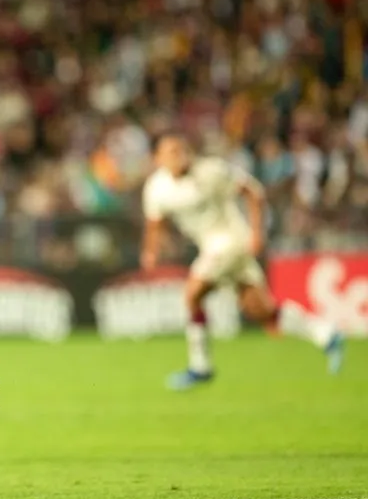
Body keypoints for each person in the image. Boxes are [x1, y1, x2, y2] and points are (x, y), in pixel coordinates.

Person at [141, 133, 344, 390]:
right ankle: (325, 333)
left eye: (182, 149)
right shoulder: (156, 187)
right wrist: (150, 252)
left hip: (231, 242)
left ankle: (200, 366)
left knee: (192, 295)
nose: (179, 155)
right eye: (171, 152)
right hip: (211, 247)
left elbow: (253, 191)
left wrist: (257, 233)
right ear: (157, 158)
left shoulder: (211, 170)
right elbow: (155, 222)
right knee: (263, 312)